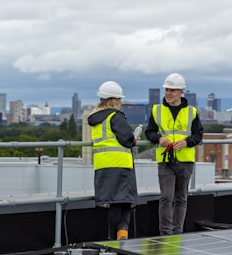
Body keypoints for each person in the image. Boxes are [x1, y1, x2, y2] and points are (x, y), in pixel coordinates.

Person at [146, 72, 203, 235]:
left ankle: (177, 232)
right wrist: (159, 139)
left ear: (181, 92)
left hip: (185, 160)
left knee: (181, 198)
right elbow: (149, 132)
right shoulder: (157, 110)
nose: (168, 93)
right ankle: (166, 233)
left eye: (172, 90)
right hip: (165, 161)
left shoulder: (191, 112)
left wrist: (186, 142)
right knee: (166, 198)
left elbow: (198, 135)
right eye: (167, 90)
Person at [87, 80, 139, 240]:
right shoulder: (115, 116)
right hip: (120, 164)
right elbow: (126, 139)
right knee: (123, 200)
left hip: (103, 164)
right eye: (120, 99)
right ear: (114, 100)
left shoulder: (95, 119)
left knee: (115, 201)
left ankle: (116, 235)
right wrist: (134, 138)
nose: (121, 102)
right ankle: (119, 234)